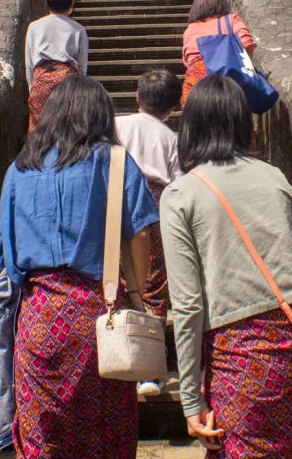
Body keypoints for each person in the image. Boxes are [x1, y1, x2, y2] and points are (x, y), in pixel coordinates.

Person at [160, 75, 292, 457]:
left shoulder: (180, 195)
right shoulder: (275, 178)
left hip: (241, 352)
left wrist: (189, 397)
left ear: (190, 128)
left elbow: (187, 306)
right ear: (243, 123)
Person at [0, 75, 159, 458]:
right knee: (105, 431)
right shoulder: (114, 161)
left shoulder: (18, 170)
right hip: (99, 315)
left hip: (38, 316)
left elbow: (8, 256)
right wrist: (135, 291)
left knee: (44, 431)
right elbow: (139, 235)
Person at [116, 68, 183, 396]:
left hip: (117, 204)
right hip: (156, 206)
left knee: (119, 281)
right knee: (155, 289)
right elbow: (178, 182)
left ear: (137, 98)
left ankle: (117, 355)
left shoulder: (116, 125)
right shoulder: (171, 137)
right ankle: (149, 371)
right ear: (172, 108)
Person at [24, 0, 88, 134]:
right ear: (72, 3)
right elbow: (81, 66)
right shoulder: (78, 30)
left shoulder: (35, 26)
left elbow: (29, 62)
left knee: (40, 129)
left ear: (47, 2)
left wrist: (33, 87)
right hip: (68, 81)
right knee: (67, 127)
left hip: (41, 79)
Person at [180, 0, 256, 107]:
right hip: (228, 79)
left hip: (197, 80)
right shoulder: (231, 19)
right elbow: (247, 44)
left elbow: (188, 61)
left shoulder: (190, 30)